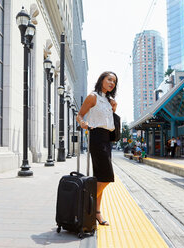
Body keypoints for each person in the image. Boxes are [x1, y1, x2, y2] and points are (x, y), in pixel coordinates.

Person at [77, 71, 118, 226]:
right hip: (97, 137)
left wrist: (114, 108)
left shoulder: (109, 101)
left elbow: (109, 121)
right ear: (101, 80)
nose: (111, 83)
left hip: (107, 139)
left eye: (114, 81)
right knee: (107, 176)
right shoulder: (93, 96)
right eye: (109, 79)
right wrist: (83, 123)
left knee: (100, 177)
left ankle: (96, 213)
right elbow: (80, 115)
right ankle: (85, 202)